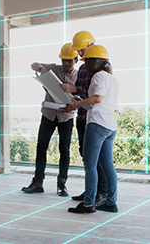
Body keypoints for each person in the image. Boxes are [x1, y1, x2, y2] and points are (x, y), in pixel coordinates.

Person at [65, 45, 119, 214]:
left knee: (90, 164)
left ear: (95, 62)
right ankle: (111, 203)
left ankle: (88, 203)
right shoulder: (112, 79)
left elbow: (98, 98)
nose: (85, 65)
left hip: (97, 124)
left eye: (87, 61)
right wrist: (80, 102)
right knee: (107, 166)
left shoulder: (98, 76)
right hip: (110, 125)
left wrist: (78, 103)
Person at [59, 31, 110, 204]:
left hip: (97, 119)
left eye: (81, 49)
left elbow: (97, 94)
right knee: (86, 156)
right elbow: (83, 92)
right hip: (83, 116)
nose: (79, 53)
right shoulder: (83, 68)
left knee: (99, 159)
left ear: (90, 45)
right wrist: (73, 103)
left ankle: (101, 193)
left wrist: (73, 90)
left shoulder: (103, 67)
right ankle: (91, 191)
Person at [22, 43, 78, 196]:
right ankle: (37, 182)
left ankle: (62, 184)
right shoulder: (54, 68)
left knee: (64, 150)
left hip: (66, 116)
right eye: (64, 60)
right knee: (41, 147)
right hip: (48, 114)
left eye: (69, 61)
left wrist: (72, 90)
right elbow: (34, 64)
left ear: (76, 60)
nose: (66, 63)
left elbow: (83, 92)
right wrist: (42, 70)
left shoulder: (78, 75)